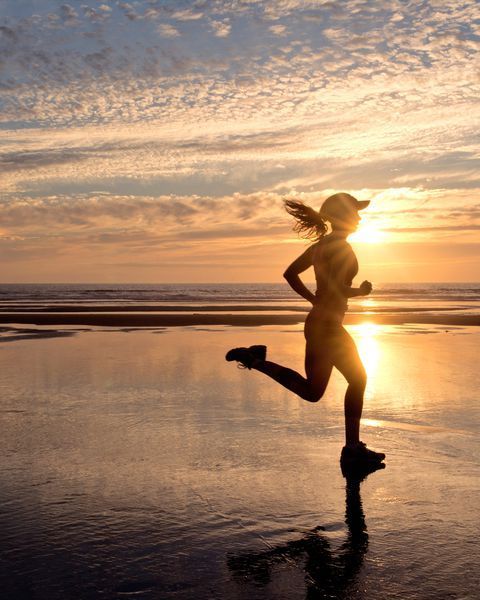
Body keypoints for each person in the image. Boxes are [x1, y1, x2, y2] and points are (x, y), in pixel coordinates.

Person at [225, 192, 385, 464]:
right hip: (328, 327)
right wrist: (359, 291)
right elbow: (336, 287)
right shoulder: (341, 247)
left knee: (313, 392)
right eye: (355, 212)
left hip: (318, 323)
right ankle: (352, 448)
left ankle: (254, 359)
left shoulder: (321, 246)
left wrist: (313, 299)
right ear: (343, 216)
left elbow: (290, 273)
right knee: (358, 379)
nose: (359, 217)